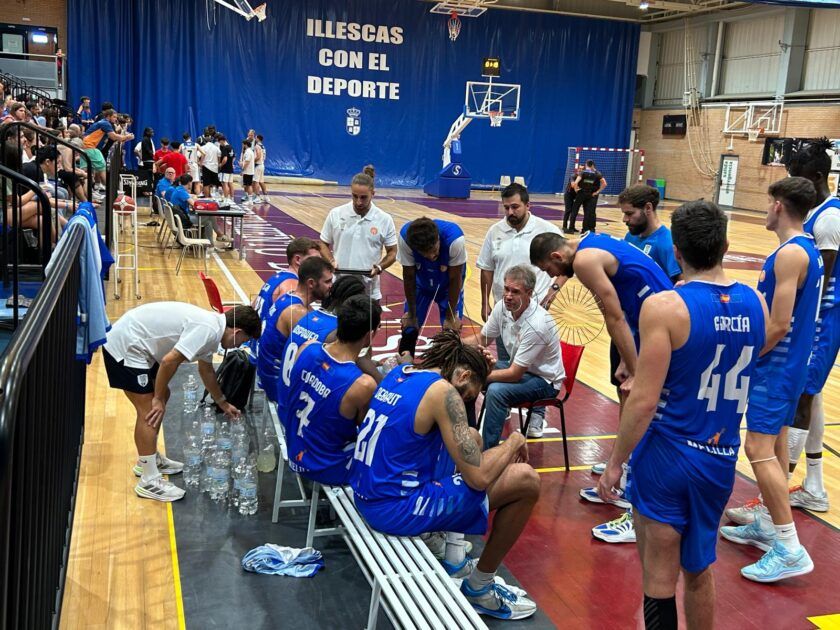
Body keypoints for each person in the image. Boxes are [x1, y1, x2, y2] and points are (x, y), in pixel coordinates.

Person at [597, 200, 767, 630]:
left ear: (676, 250)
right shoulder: (756, 304)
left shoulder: (666, 306)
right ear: (725, 245)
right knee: (699, 570)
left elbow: (643, 400)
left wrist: (615, 463)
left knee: (658, 577)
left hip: (668, 454)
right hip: (721, 458)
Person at [349, 330, 540, 620]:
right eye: (468, 395)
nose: (464, 401)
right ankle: (479, 588)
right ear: (463, 376)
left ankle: (451, 555)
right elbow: (479, 478)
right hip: (394, 509)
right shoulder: (443, 392)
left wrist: (475, 362)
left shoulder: (401, 373)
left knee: (472, 437)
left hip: (366, 493)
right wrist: (514, 440)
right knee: (526, 479)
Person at [717, 177, 821, 583]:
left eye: (767, 202)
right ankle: (766, 522)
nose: (765, 209)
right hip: (788, 366)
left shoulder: (790, 254)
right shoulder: (804, 248)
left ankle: (790, 547)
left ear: (778, 204)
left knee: (757, 446)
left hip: (778, 367)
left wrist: (746, 356)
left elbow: (779, 325)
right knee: (774, 443)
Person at [530, 230, 671, 507]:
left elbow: (615, 316)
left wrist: (637, 371)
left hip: (660, 320)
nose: (552, 276)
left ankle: (633, 492)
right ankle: (623, 467)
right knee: (628, 397)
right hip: (647, 319)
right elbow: (617, 311)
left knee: (643, 405)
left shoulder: (583, 261)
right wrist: (626, 358)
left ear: (557, 256)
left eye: (548, 269)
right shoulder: (589, 240)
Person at [591, 184, 683, 544]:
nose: (625, 220)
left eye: (630, 213)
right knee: (625, 397)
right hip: (627, 334)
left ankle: (633, 476)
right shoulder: (630, 239)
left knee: (645, 405)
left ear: (648, 207)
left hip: (650, 340)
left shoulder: (664, 242)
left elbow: (675, 291)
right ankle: (624, 457)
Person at [102, 303, 261, 502]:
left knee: (163, 395)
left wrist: (223, 403)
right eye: (243, 340)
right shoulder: (208, 330)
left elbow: (206, 370)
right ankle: (148, 480)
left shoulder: (213, 329)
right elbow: (169, 361)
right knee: (150, 410)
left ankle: (149, 459)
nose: (239, 346)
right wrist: (157, 399)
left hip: (139, 343)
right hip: (126, 345)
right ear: (237, 332)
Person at [787, 138, 840, 513]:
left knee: (801, 398)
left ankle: (773, 501)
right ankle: (815, 487)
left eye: (800, 176)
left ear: (819, 176)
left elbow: (821, 281)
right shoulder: (815, 212)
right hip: (817, 317)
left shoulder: (829, 218)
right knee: (813, 396)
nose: (794, 182)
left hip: (825, 317)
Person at [285, 295, 381, 484]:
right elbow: (366, 432)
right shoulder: (363, 385)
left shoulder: (307, 347)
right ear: (369, 335)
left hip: (294, 448)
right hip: (326, 467)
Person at [476, 265, 565, 443]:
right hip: (520, 368)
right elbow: (481, 339)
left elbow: (514, 374)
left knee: (496, 391)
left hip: (544, 381)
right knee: (468, 371)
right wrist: (455, 344)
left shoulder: (537, 324)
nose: (508, 296)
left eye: (515, 291)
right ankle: (469, 437)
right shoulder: (502, 307)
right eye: (506, 289)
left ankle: (487, 451)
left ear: (529, 293)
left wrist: (480, 377)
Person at [477, 182, 562, 362]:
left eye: (515, 207)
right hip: (504, 310)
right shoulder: (495, 231)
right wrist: (485, 303)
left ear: (528, 205)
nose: (510, 212)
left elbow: (567, 266)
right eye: (506, 207)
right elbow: (486, 268)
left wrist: (552, 293)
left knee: (527, 368)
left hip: (534, 313)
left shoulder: (548, 231)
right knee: (504, 362)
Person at [256, 257, 334, 409]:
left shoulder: (289, 297)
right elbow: (321, 350)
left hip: (268, 372)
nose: (331, 286)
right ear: (311, 283)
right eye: (327, 281)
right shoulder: (297, 312)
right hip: (276, 382)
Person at [318, 172, 397, 303]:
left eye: (363, 197)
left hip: (369, 291)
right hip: (338, 288)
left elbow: (393, 252)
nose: (358, 202)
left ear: (373, 194)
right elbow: (322, 244)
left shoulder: (385, 219)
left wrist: (380, 267)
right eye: (355, 196)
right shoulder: (336, 214)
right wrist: (330, 261)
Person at [398, 217, 466, 336]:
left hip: (448, 286)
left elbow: (455, 279)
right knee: (409, 328)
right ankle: (407, 346)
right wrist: (412, 315)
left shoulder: (455, 240)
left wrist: (450, 317)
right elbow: (409, 277)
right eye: (424, 254)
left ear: (438, 238)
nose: (431, 256)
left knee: (451, 332)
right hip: (421, 283)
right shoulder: (405, 239)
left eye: (434, 250)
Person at [82, 108, 134, 188]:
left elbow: (114, 137)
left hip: (84, 146)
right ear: (108, 116)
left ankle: (92, 190)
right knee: (102, 167)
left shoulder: (104, 123)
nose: (116, 119)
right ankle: (110, 190)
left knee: (86, 172)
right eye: (114, 117)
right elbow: (114, 137)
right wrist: (127, 137)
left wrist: (125, 137)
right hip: (89, 146)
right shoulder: (105, 123)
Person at [567, 160, 606, 234]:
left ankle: (571, 228)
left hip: (581, 193)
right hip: (590, 194)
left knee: (575, 210)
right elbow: (604, 184)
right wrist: (597, 192)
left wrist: (576, 189)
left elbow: (575, 183)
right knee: (587, 212)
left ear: (586, 165)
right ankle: (584, 230)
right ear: (592, 165)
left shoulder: (583, 172)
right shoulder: (595, 174)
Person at [562, 167, 579, 233]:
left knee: (574, 212)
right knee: (568, 210)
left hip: (576, 196)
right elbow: (572, 185)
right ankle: (564, 226)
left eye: (582, 169)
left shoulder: (582, 178)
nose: (580, 170)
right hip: (568, 195)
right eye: (579, 169)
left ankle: (572, 227)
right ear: (577, 170)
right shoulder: (573, 176)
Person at [218, 134, 235, 201]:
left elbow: (225, 159)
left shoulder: (225, 148)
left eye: (220, 142)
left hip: (225, 169)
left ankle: (226, 199)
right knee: (230, 184)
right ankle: (232, 198)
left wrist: (220, 165)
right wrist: (231, 164)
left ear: (222, 141)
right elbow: (233, 157)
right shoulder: (231, 147)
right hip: (230, 169)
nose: (220, 144)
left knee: (225, 184)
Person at [240, 139, 256, 204]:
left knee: (249, 185)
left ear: (245, 145)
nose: (242, 146)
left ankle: (250, 201)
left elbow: (247, 162)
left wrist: (243, 170)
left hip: (248, 172)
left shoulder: (248, 152)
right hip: (248, 171)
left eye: (243, 144)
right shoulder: (249, 151)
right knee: (247, 185)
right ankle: (249, 199)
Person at [254, 134, 268, 202]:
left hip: (258, 165)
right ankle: (266, 197)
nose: (255, 138)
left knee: (256, 181)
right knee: (261, 181)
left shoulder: (257, 146)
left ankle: (257, 197)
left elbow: (258, 156)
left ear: (258, 139)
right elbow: (263, 157)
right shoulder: (263, 146)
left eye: (255, 137)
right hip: (262, 164)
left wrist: (252, 161)